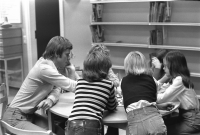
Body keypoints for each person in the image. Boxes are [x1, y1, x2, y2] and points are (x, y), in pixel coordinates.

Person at [2, 36, 78, 134]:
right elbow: (71, 85)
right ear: (56, 54)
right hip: (14, 117)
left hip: (28, 115)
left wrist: (51, 99)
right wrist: (95, 86)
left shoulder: (49, 66)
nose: (68, 58)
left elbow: (57, 87)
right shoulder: (44, 69)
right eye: (67, 55)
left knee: (60, 132)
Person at [65, 51, 118, 135]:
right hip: (91, 124)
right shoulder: (108, 84)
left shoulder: (79, 82)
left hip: (71, 123)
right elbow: (112, 106)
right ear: (105, 69)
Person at [121, 51, 167, 135]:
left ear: (126, 65)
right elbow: (152, 98)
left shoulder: (123, 81)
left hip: (134, 118)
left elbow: (126, 101)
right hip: (153, 115)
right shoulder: (151, 79)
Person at [156, 50, 200, 135]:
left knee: (160, 131)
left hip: (192, 121)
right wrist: (163, 79)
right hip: (187, 117)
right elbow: (159, 88)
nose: (163, 68)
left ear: (174, 67)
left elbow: (161, 98)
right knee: (160, 125)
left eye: (165, 66)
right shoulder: (176, 79)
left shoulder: (179, 80)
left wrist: (147, 94)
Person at [89, 44, 120, 135]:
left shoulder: (107, 69)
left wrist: (105, 76)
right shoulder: (89, 70)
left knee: (113, 121)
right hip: (94, 105)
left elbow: (116, 82)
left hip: (104, 103)